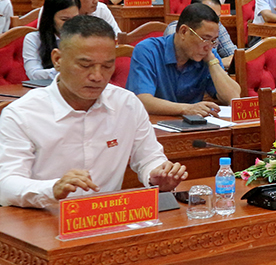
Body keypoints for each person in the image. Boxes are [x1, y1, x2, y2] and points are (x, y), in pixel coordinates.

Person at [0, 15, 188, 208]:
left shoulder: (127, 104)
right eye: (85, 65)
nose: (97, 76)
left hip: (106, 217)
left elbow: (150, 158)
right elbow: (6, 184)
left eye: (107, 66)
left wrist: (157, 174)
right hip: (43, 217)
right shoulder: (22, 114)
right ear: (57, 60)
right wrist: (52, 189)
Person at [127, 3, 241, 116]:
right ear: (183, 32)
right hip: (153, 123)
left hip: (194, 124)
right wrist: (186, 109)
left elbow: (233, 97)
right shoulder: (148, 50)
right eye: (205, 39)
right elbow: (142, 100)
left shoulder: (208, 55)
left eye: (213, 40)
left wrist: (212, 61)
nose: (209, 46)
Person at [163, 0, 237, 70]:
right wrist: (214, 62)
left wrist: (214, 62)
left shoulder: (217, 26)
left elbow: (234, 57)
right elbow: (189, 63)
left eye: (217, 17)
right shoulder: (176, 29)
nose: (213, 20)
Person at [23, 0, 79, 80]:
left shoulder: (84, 37)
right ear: (50, 18)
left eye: (75, 19)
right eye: (64, 19)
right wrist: (64, 70)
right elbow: (33, 74)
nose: (71, 24)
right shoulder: (34, 39)